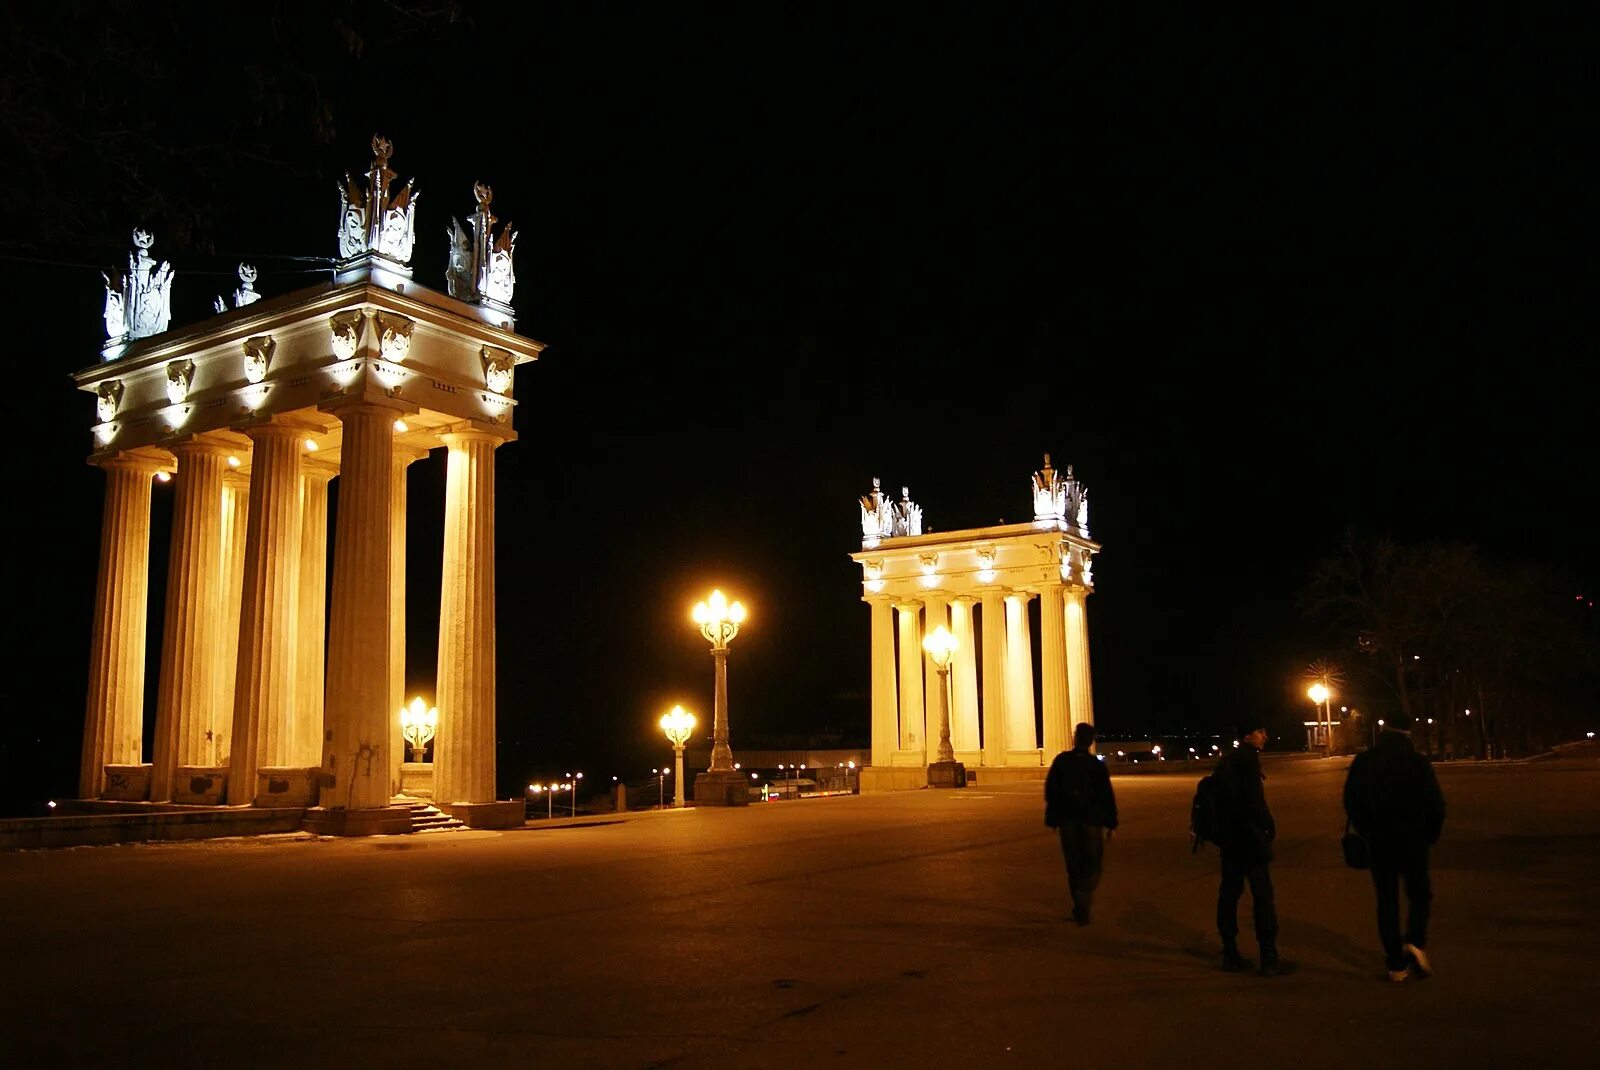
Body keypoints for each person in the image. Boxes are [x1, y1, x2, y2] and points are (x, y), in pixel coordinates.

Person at [1344, 712, 1446, 982]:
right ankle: (1415, 940)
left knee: (1386, 901)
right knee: (1420, 895)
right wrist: (1429, 835)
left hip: (1379, 841)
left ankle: (1395, 965)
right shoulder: (1417, 763)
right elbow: (1436, 804)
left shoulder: (1365, 762)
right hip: (1413, 840)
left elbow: (1351, 802)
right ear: (1407, 733)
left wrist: (1367, 830)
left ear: (1384, 730)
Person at [1214, 719, 1288, 975]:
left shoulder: (1226, 762)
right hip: (1249, 840)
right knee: (1263, 897)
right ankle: (1268, 956)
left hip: (1230, 841)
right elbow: (1252, 803)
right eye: (1260, 731)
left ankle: (1230, 953)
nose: (1264, 736)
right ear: (1247, 736)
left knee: (1229, 895)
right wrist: (1266, 828)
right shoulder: (1248, 761)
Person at [1044, 722, 1118, 925]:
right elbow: (1106, 795)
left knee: (1073, 863)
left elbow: (1051, 790)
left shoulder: (1061, 761)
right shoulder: (1096, 766)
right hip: (1091, 820)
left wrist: (1052, 817)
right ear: (1091, 740)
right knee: (1093, 863)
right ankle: (1084, 892)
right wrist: (1111, 822)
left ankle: (1079, 898)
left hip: (1068, 820)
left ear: (1075, 738)